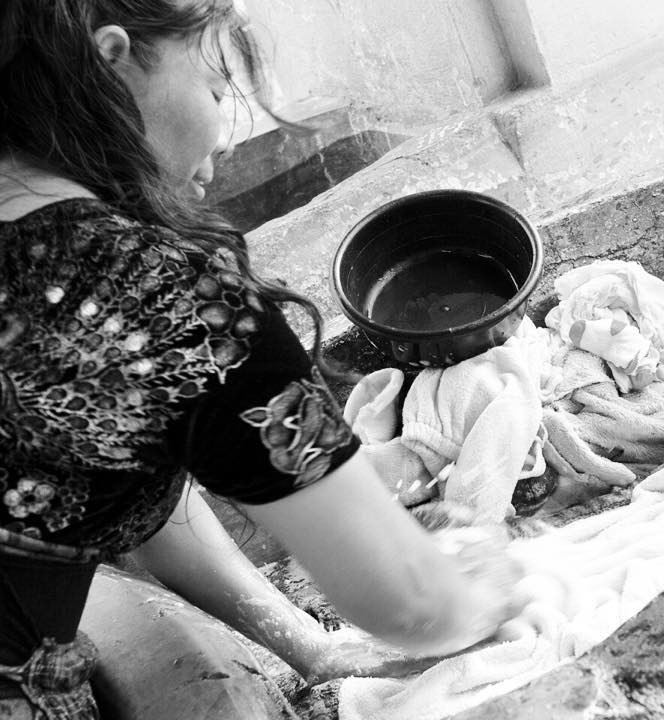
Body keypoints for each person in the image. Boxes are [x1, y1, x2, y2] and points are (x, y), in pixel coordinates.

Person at [0, 1, 524, 717]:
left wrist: (309, 645)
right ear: (111, 62)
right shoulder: (162, 295)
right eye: (217, 88)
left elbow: (133, 470)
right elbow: (414, 608)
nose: (225, 136)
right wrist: (492, 566)